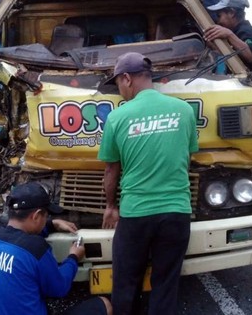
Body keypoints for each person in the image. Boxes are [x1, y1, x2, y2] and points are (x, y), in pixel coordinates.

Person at [98, 52, 199, 315]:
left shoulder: (118, 117)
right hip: (177, 212)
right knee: (166, 283)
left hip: (136, 214)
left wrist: (110, 206)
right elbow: (186, 158)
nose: (119, 91)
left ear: (127, 79)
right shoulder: (184, 111)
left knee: (126, 281)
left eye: (118, 84)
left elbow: (111, 169)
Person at [0, 182, 111, 315]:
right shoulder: (36, 248)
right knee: (104, 304)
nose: (47, 218)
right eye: (46, 215)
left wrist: (51, 224)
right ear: (36, 216)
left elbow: (18, 235)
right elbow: (59, 288)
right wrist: (73, 257)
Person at [204, 0, 252, 70]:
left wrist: (229, 35)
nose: (218, 21)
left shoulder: (246, 31)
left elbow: (250, 57)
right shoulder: (237, 31)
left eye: (219, 16)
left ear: (231, 13)